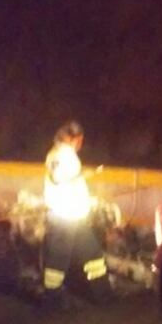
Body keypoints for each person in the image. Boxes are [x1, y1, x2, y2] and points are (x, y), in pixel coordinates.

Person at [41, 121, 109, 309]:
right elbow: (58, 178)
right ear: (71, 137)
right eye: (79, 140)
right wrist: (80, 176)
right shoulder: (58, 154)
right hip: (63, 218)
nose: (81, 144)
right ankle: (51, 299)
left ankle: (103, 294)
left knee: (93, 254)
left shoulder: (66, 154)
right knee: (58, 260)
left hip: (75, 217)